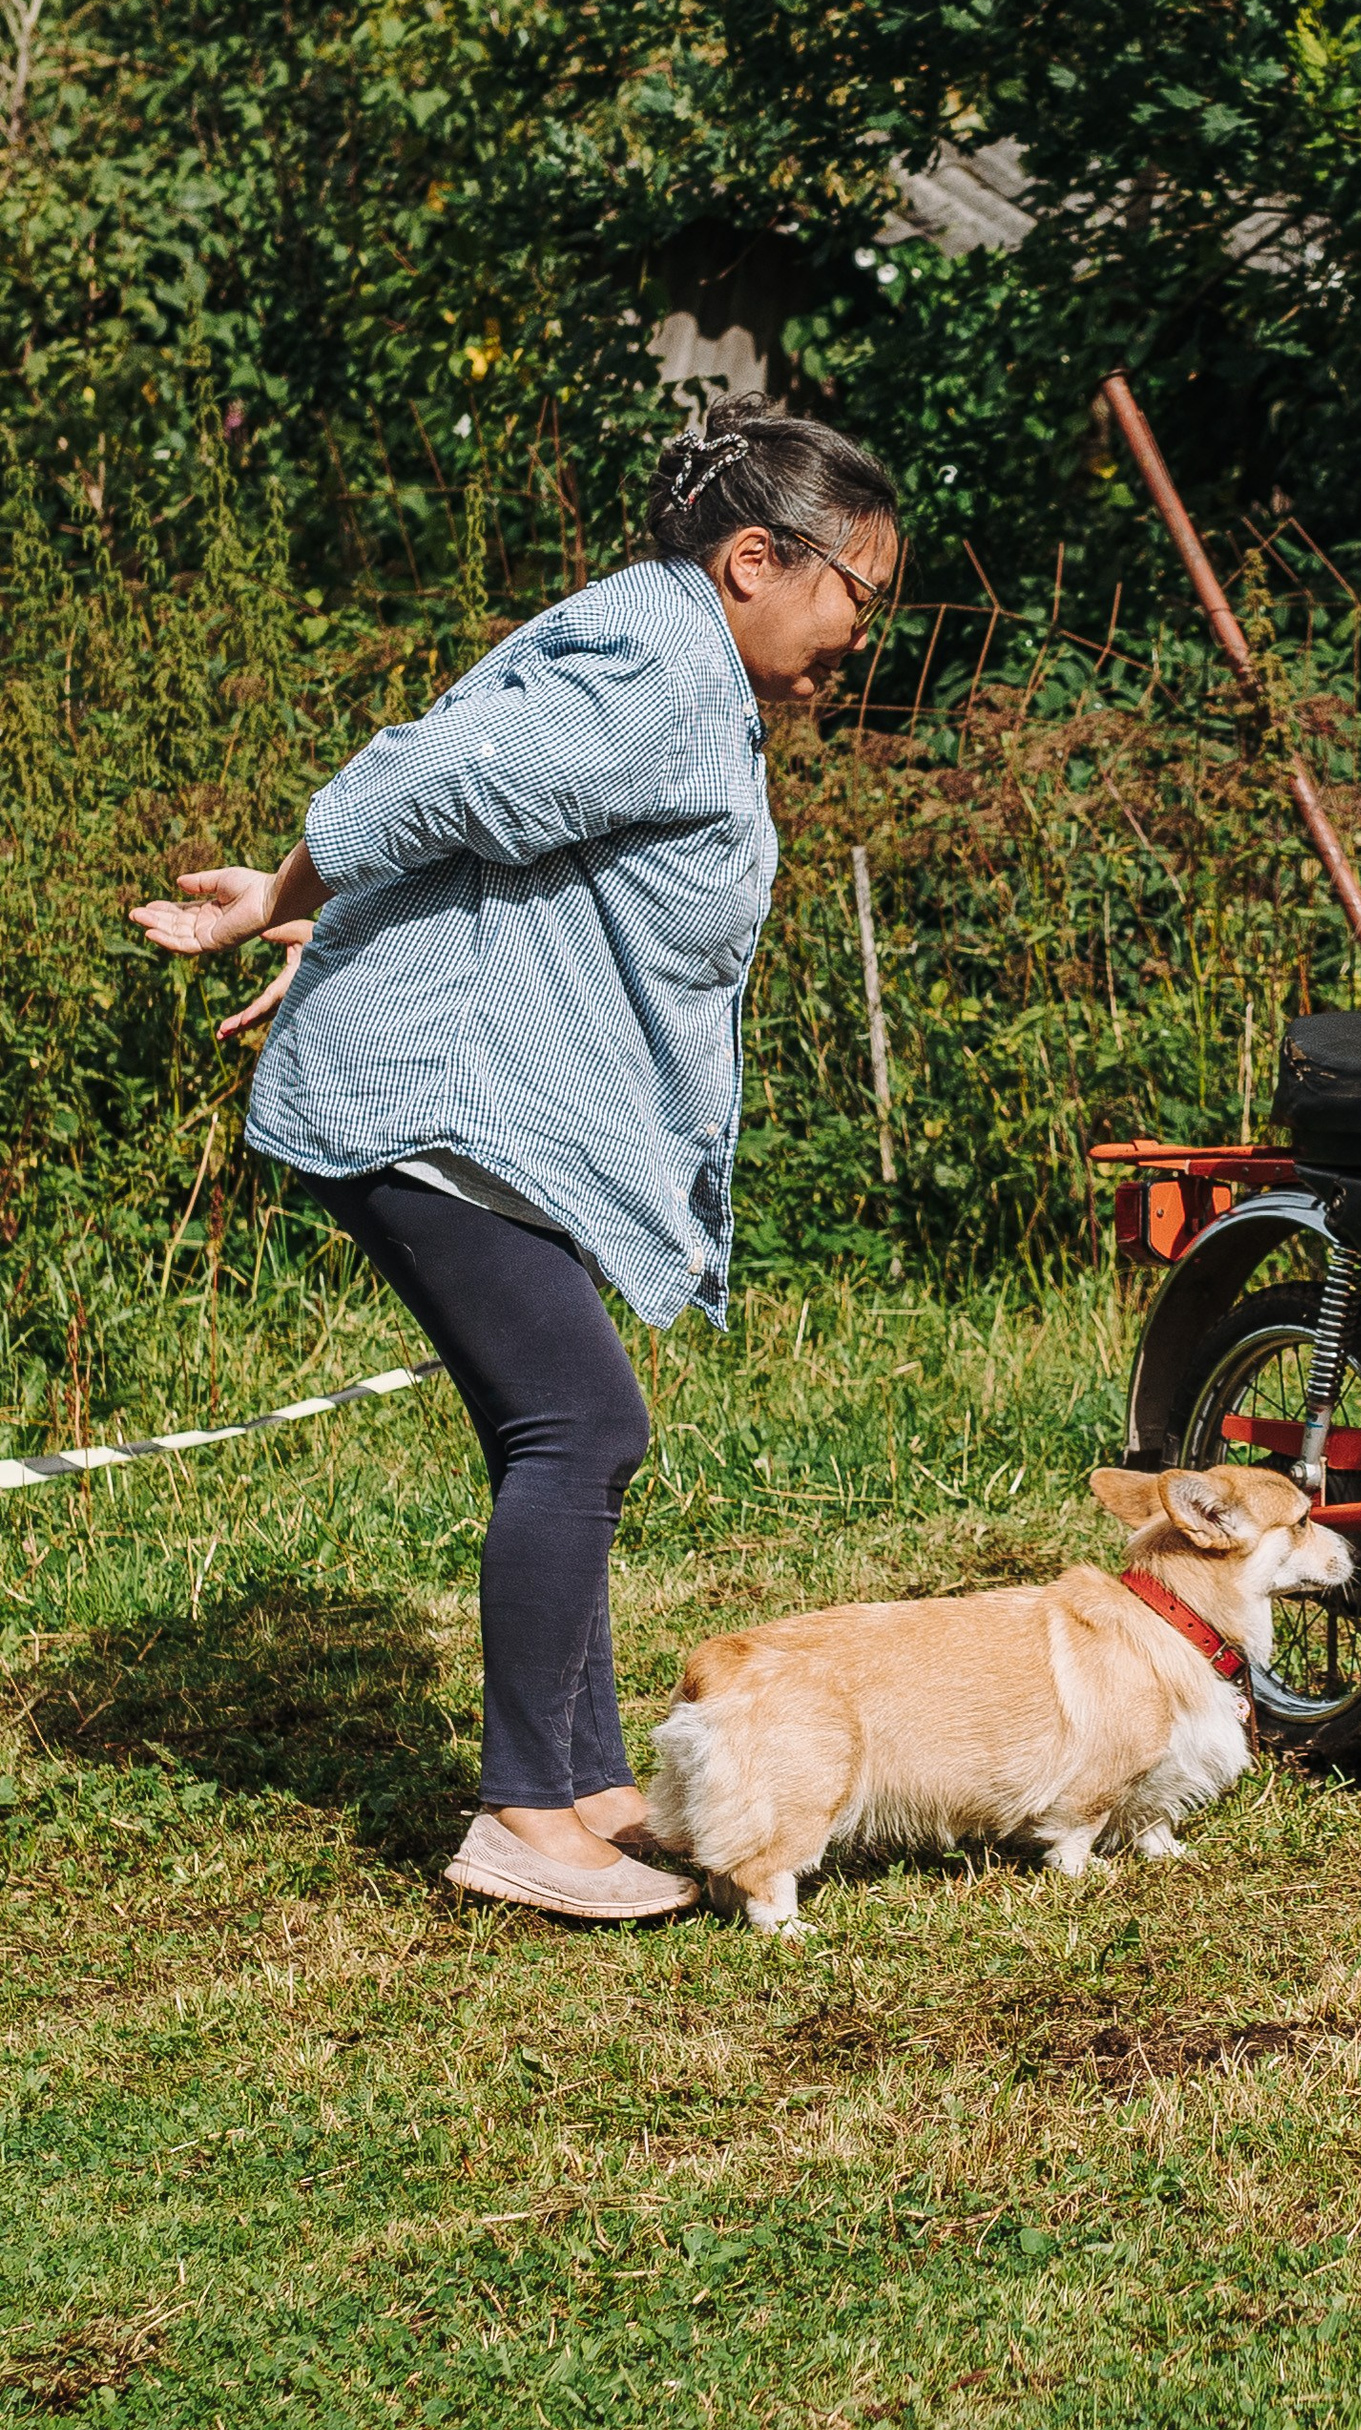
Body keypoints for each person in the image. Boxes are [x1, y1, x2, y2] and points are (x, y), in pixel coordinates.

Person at [129, 396, 901, 1924]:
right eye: (859, 596)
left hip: (447, 1085)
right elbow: (425, 785)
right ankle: (520, 1813)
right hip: (432, 1110)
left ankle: (594, 1785)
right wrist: (281, 893)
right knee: (583, 1429)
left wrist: (336, 934)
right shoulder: (662, 674)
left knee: (557, 1435)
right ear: (758, 558)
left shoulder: (664, 653)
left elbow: (497, 841)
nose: (862, 636)